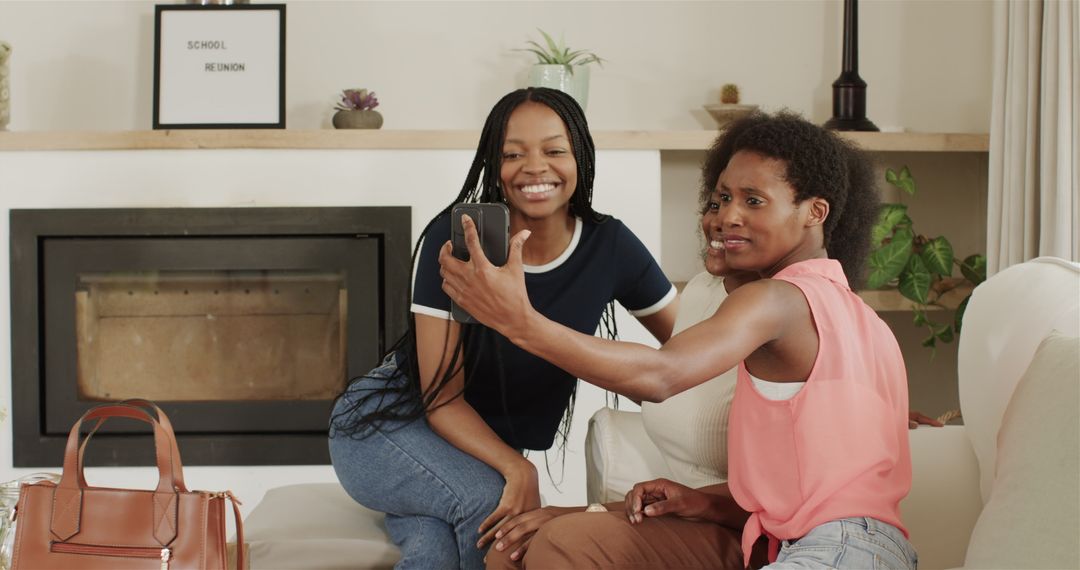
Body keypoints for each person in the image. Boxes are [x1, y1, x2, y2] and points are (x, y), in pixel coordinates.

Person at [440, 110, 920, 569]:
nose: (726, 216)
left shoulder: (778, 299)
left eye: (753, 201)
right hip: (806, 544)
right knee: (515, 549)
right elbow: (811, 488)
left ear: (815, 212)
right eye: (719, 199)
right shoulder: (852, 313)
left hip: (839, 551)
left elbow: (660, 374)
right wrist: (700, 502)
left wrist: (519, 321)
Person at [327, 87, 679, 570]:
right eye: (513, 154)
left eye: (554, 150)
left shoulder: (610, 247)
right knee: (491, 503)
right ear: (494, 165)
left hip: (473, 449)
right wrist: (517, 465)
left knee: (433, 551)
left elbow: (686, 354)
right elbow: (441, 399)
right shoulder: (458, 243)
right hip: (386, 428)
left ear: (581, 157)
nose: (535, 167)